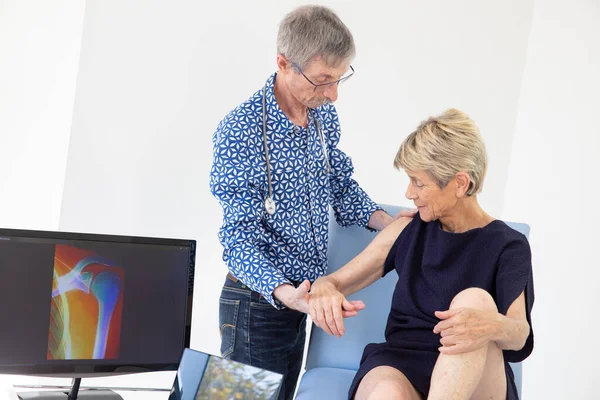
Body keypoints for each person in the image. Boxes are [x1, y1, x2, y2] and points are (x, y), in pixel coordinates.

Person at [209, 5, 412, 400]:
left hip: (304, 302)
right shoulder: (239, 132)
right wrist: (286, 293)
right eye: (322, 81)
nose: (333, 95)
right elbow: (237, 238)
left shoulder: (322, 117)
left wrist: (388, 224)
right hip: (257, 304)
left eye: (339, 80)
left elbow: (339, 184)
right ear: (284, 64)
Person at [307, 108, 535, 400]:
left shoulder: (508, 245)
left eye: (418, 182)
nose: (408, 193)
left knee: (476, 300)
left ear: (460, 183)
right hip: (401, 363)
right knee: (386, 394)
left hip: (472, 370)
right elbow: (333, 282)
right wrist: (324, 289)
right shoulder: (408, 229)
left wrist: (491, 324)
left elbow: (519, 335)